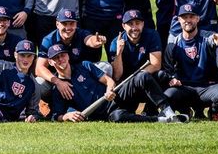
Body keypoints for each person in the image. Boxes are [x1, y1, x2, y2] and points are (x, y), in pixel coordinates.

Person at [47, 44, 186, 123]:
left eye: (62, 55)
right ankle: (161, 120)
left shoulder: (84, 65)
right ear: (51, 62)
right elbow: (56, 114)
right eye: (56, 58)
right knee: (118, 117)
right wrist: (66, 116)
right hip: (105, 114)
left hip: (116, 97)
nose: (60, 59)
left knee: (142, 76)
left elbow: (109, 80)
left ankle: (169, 113)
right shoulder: (57, 88)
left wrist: (109, 89)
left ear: (68, 55)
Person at [107, 10, 178, 121]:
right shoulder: (116, 42)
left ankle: (162, 111)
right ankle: (162, 115)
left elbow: (156, 65)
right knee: (118, 115)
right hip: (126, 87)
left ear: (143, 24)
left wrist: (139, 78)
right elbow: (117, 76)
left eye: (138, 23)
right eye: (130, 24)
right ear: (123, 26)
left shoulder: (151, 35)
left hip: (145, 80)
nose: (135, 27)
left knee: (161, 75)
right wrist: (119, 53)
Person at [162, 4, 218, 120]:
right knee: (168, 95)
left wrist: (217, 42)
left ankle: (213, 113)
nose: (188, 20)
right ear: (179, 20)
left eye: (191, 17)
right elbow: (168, 70)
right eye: (184, 17)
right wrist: (172, 79)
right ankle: (185, 111)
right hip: (185, 88)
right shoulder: (173, 44)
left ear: (198, 19)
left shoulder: (206, 36)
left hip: (206, 88)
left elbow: (212, 42)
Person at [35, 9, 108, 102]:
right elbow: (39, 68)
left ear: (76, 24)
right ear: (57, 24)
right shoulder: (49, 40)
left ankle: (103, 100)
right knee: (38, 84)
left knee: (106, 67)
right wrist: (58, 82)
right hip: (58, 76)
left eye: (71, 23)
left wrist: (96, 41)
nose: (68, 28)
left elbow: (89, 39)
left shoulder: (81, 33)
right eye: (64, 24)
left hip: (79, 74)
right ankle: (52, 104)